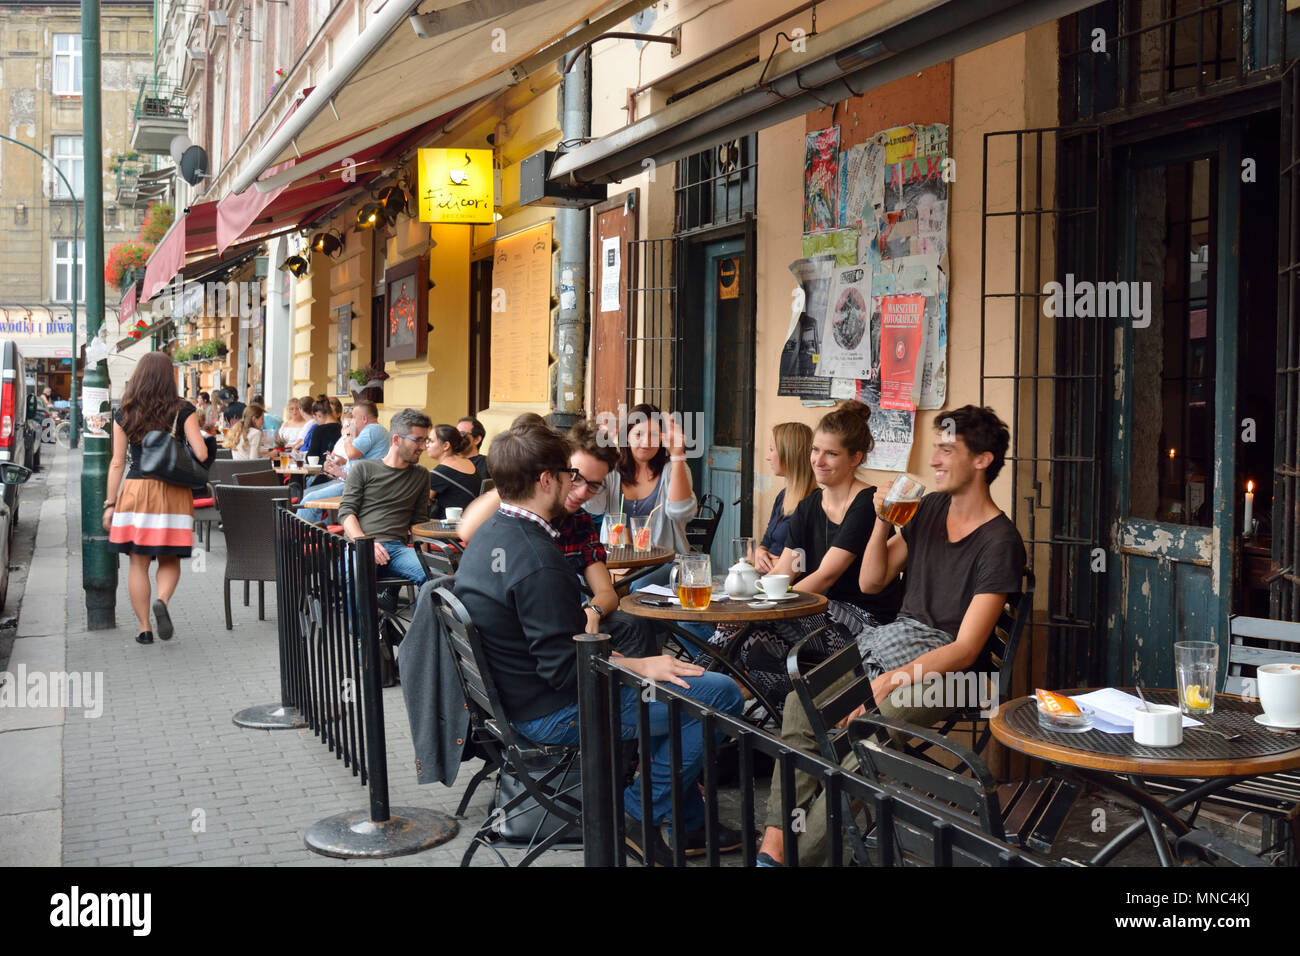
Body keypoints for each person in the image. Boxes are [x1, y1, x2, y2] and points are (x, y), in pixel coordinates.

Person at [453, 424, 744, 863]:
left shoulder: (492, 534)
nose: (579, 488)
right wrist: (640, 668)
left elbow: (563, 650)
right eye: (571, 477)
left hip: (517, 700)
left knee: (682, 686)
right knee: (718, 695)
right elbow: (565, 671)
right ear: (546, 480)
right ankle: (632, 815)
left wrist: (629, 661)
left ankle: (681, 821)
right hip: (549, 712)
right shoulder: (538, 560)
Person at [756, 405, 1028, 867]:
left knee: (867, 736)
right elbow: (872, 583)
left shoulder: (1000, 541)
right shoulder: (930, 508)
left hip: (949, 671)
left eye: (946, 449)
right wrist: (883, 518)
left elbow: (964, 650)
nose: (935, 460)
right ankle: (775, 848)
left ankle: (804, 857)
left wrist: (888, 681)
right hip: (897, 642)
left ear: (982, 460)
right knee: (803, 702)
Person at [700, 401, 902, 711]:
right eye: (815, 450)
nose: (818, 461)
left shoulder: (864, 502)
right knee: (754, 641)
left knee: (760, 626)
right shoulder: (809, 506)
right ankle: (716, 694)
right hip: (819, 613)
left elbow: (826, 576)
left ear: (855, 458)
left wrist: (761, 609)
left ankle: (706, 691)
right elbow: (785, 570)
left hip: (864, 622)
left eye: (831, 453)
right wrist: (743, 605)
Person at [458, 419, 657, 657]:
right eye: (576, 477)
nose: (582, 492)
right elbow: (466, 530)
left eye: (594, 486)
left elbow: (606, 592)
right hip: (520, 637)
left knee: (634, 626)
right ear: (553, 472)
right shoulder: (518, 519)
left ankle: (629, 688)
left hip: (557, 626)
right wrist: (517, 480)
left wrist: (593, 610)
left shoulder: (579, 523)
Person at [104, 351, 213, 646]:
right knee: (169, 556)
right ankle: (162, 601)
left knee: (138, 562)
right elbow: (201, 454)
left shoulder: (124, 411)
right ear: (170, 376)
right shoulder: (183, 409)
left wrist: (110, 504)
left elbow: (116, 463)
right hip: (173, 493)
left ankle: (143, 628)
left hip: (136, 489)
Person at [584, 403, 697, 557]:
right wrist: (599, 452)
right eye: (638, 435)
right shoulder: (611, 471)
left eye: (654, 435)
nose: (646, 442)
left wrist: (677, 454)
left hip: (662, 562)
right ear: (626, 437)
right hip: (616, 560)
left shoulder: (674, 469)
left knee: (637, 582)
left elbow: (682, 514)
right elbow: (592, 506)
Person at [337, 408, 432, 585]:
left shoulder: (421, 475)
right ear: (396, 439)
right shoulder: (364, 468)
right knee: (357, 574)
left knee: (433, 575)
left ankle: (418, 613)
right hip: (360, 545)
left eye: (425, 440)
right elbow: (346, 512)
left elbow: (419, 521)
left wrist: (424, 557)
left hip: (397, 549)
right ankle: (362, 614)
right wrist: (365, 544)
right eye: (418, 440)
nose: (424, 447)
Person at [296, 401, 389, 524]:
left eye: (355, 417)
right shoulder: (376, 430)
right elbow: (359, 458)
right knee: (309, 493)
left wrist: (347, 435)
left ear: (364, 418)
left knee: (309, 499)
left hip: (359, 486)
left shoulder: (372, 429)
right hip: (356, 482)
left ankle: (295, 537)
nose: (353, 422)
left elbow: (352, 452)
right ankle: (315, 534)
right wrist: (342, 463)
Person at [754, 422, 817, 573]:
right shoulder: (783, 495)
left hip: (788, 586)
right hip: (768, 577)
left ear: (789, 454)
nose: (768, 458)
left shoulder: (814, 502)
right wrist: (760, 552)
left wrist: (777, 564)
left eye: (771, 450)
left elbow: (806, 562)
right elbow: (767, 540)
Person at [427, 425, 480, 519]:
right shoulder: (470, 463)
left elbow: (422, 504)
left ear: (446, 446)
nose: (427, 445)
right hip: (472, 523)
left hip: (448, 529)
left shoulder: (439, 473)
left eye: (431, 441)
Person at [303, 395, 343, 462]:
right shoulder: (344, 429)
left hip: (323, 470)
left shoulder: (319, 430)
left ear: (319, 415)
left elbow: (311, 456)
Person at [457, 416, 489, 483]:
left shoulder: (485, 463)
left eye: (462, 433)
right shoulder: (452, 462)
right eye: (456, 433)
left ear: (477, 439)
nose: (458, 437)